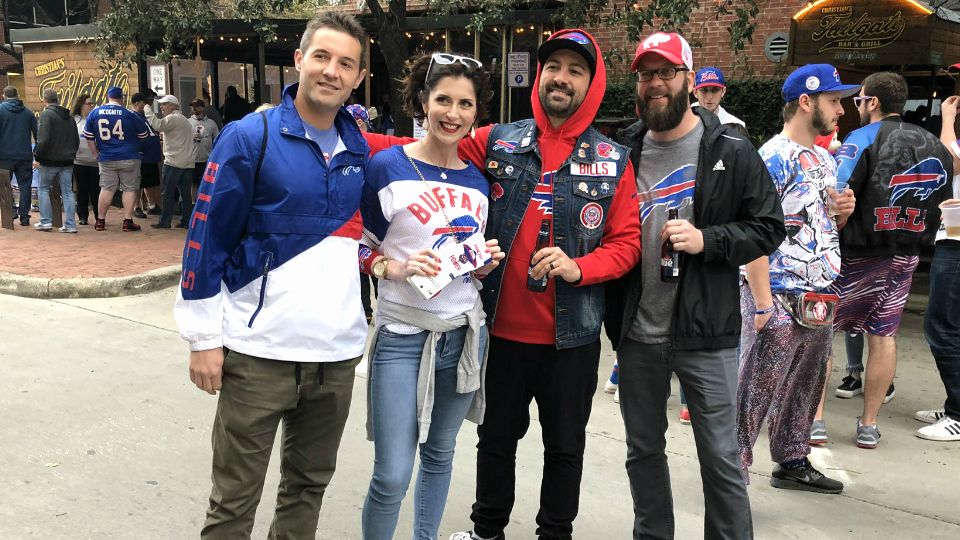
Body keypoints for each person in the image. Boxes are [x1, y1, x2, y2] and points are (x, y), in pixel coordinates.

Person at [435, 29, 641, 540]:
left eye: (576, 70)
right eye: (554, 67)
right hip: (501, 331)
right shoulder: (498, 140)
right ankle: (487, 531)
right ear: (539, 75)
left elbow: (628, 242)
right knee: (495, 440)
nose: (562, 78)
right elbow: (425, 150)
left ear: (591, 84)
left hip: (571, 340)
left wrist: (580, 267)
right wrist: (335, 133)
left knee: (566, 447)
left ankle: (555, 534)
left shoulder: (614, 161)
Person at [174, 13, 370, 537]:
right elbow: (204, 239)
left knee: (307, 490)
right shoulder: (249, 136)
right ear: (300, 60)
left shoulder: (363, 151)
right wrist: (202, 338)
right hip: (258, 355)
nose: (332, 71)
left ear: (358, 77)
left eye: (345, 63)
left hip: (336, 358)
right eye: (322, 57)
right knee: (234, 502)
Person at [608, 32, 785, 539]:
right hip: (637, 332)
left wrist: (708, 239)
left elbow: (769, 226)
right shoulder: (623, 150)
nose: (656, 83)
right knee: (643, 451)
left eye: (666, 73)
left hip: (706, 333)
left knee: (721, 459)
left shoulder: (731, 147)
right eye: (646, 74)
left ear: (689, 79)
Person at [358, 51, 503, 540]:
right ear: (423, 101)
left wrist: (482, 264)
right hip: (401, 337)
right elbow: (360, 247)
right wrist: (391, 267)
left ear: (476, 111)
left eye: (465, 103)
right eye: (443, 99)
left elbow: (468, 268)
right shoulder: (386, 167)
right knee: (392, 473)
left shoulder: (478, 184)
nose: (453, 113)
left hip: (461, 337)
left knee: (440, 455)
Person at [738, 64, 858, 495]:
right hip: (778, 290)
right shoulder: (770, 157)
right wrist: (763, 301)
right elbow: (752, 231)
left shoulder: (825, 159)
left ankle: (791, 458)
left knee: (807, 382)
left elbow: (817, 224)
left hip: (819, 292)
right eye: (833, 100)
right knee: (756, 385)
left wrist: (840, 214)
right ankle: (732, 471)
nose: (841, 109)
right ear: (806, 102)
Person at [827, 72, 953, 449]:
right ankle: (868, 424)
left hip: (858, 253)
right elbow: (943, 198)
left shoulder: (861, 137)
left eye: (859, 100)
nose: (856, 107)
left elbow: (836, 190)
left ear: (873, 102)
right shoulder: (934, 144)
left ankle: (814, 421)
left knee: (823, 333)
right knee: (884, 335)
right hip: (907, 254)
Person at [912, 93, 960, 442]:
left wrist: (945, 118)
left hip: (957, 244)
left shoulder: (951, 129)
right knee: (948, 324)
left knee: (942, 325)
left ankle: (958, 413)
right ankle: (954, 403)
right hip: (951, 237)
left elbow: (950, 161)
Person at [83, 86, 149, 231]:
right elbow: (143, 136)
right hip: (129, 156)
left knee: (106, 188)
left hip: (106, 157)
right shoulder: (129, 114)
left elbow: (88, 136)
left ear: (108, 97)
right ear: (122, 98)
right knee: (129, 189)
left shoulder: (95, 113)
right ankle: (127, 221)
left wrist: (95, 154)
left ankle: (100, 220)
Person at [33, 88, 80, 233]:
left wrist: (37, 156)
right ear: (57, 99)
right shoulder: (69, 116)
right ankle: (71, 224)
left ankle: (46, 221)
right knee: (67, 192)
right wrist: (72, 154)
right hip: (67, 160)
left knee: (43, 189)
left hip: (49, 160)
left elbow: (43, 138)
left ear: (44, 100)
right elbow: (76, 139)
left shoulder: (46, 115)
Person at [145, 95, 195, 229]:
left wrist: (147, 110)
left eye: (164, 104)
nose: (161, 107)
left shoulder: (173, 118)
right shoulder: (184, 120)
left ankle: (165, 221)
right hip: (188, 162)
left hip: (173, 162)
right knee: (185, 195)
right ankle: (186, 221)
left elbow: (157, 125)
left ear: (173, 105)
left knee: (167, 193)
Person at [0, 85, 38, 227]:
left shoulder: (0, 111)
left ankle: (10, 212)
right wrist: (36, 152)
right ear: (18, 95)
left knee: (4, 186)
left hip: (4, 156)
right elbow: (37, 134)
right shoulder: (28, 113)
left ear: (4, 96)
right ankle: (24, 216)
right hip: (24, 155)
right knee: (25, 186)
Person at [129, 92, 163, 218]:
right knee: (138, 183)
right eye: (144, 104)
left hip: (151, 155)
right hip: (141, 155)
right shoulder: (132, 116)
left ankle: (152, 205)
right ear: (137, 103)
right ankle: (136, 206)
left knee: (151, 182)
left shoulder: (145, 116)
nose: (146, 106)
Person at [691, 66, 747, 136]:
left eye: (715, 90)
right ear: (695, 92)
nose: (709, 97)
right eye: (704, 90)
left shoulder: (737, 126)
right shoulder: (683, 122)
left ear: (723, 91)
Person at [71, 94, 100, 225]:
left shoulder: (96, 119)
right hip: (79, 161)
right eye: (89, 104)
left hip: (95, 162)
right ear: (81, 105)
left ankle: (99, 215)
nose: (91, 106)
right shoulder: (74, 120)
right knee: (81, 190)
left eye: (93, 104)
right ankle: (83, 216)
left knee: (96, 190)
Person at [188, 98, 220, 202]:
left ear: (202, 107)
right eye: (192, 106)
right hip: (192, 159)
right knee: (193, 184)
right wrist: (190, 138)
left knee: (206, 183)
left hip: (207, 158)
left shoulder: (211, 123)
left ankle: (205, 203)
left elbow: (217, 139)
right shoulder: (188, 122)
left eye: (196, 106)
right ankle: (194, 204)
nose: (194, 108)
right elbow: (182, 139)